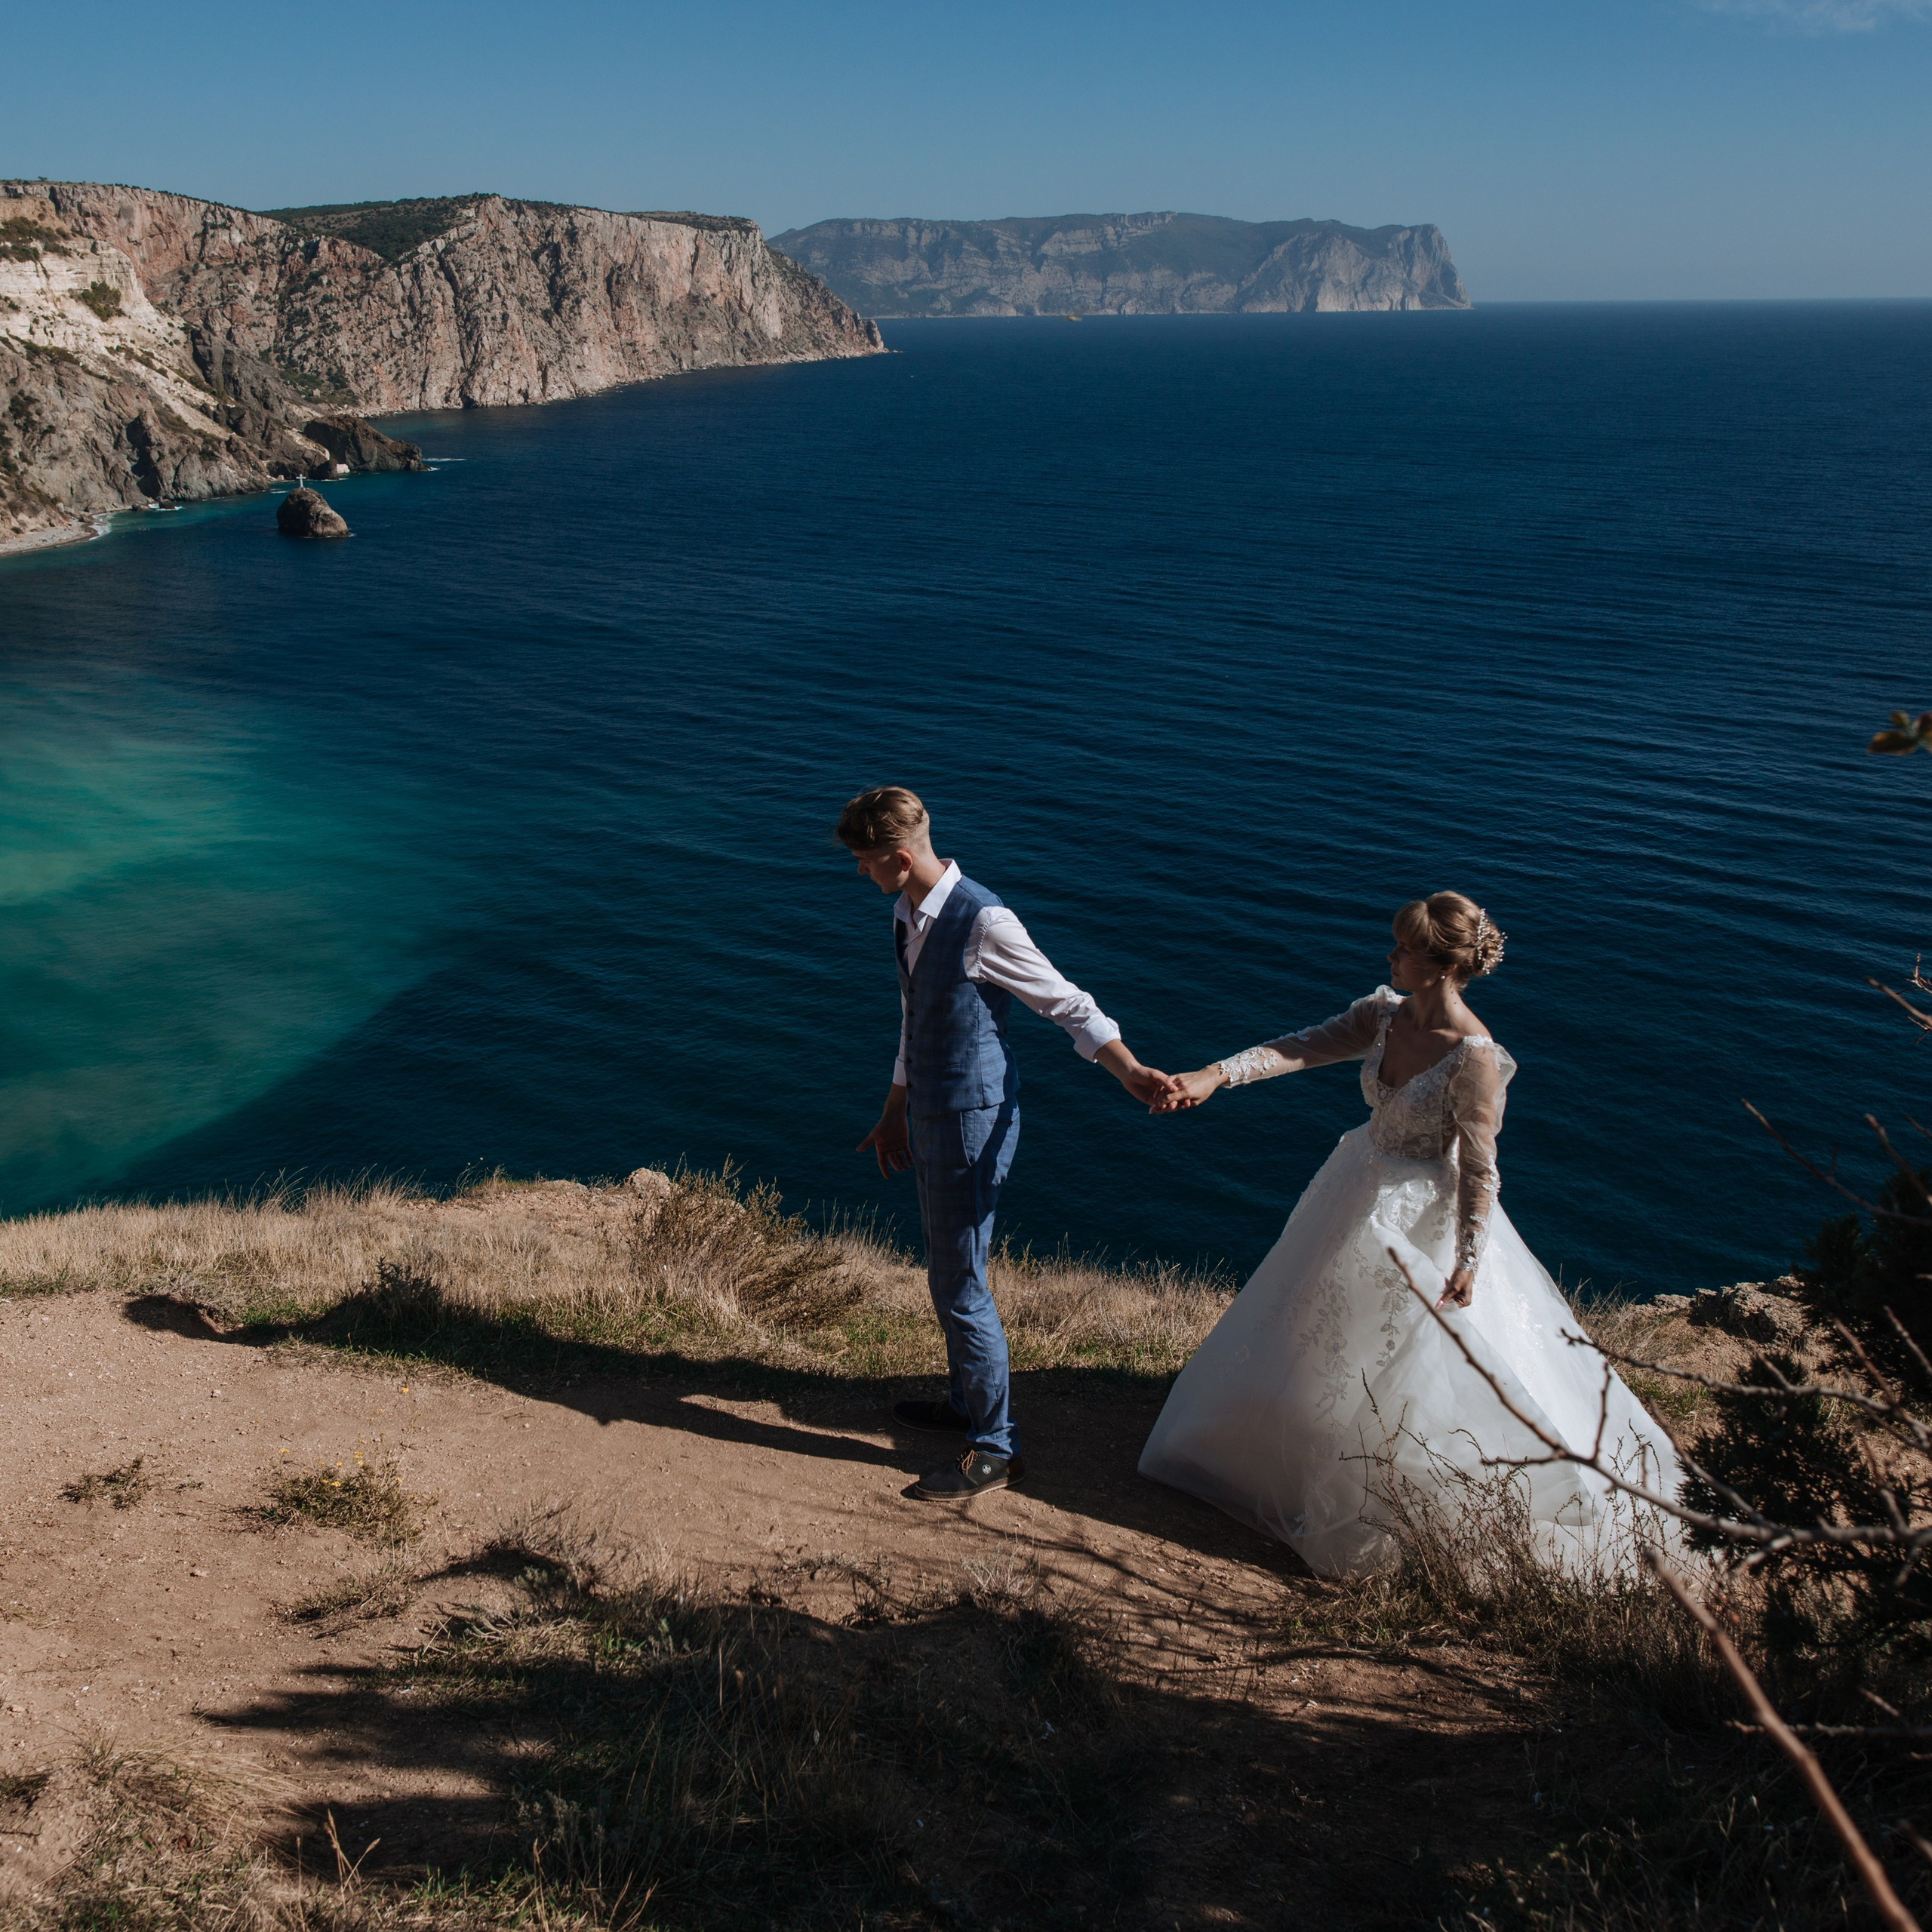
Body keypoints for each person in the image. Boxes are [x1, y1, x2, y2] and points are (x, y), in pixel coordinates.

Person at [1139, 892, 1681, 1575]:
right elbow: (1300, 1047)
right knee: (1315, 1325)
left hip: (1421, 1212)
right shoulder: (1382, 1015)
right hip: (1355, 1183)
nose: (1389, 956)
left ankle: (1373, 1490)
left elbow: (1482, 1169)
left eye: (1404, 949)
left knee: (1394, 1355)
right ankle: (1287, 1454)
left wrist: (1469, 1258)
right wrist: (1214, 1075)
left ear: (1442, 965)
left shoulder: (1474, 1058)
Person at [838, 786, 1178, 1500]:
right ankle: (966, 1403)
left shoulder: (983, 920)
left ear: (900, 858)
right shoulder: (906, 913)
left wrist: (1130, 1072)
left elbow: (1067, 1003)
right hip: (931, 1111)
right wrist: (894, 1107)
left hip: (971, 1119)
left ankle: (996, 1447)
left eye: (868, 862)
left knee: (961, 1282)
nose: (861, 874)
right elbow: (914, 1018)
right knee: (946, 1271)